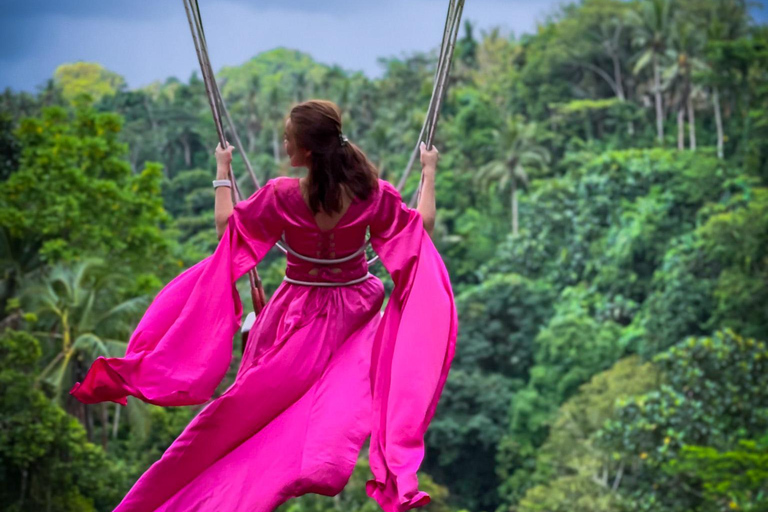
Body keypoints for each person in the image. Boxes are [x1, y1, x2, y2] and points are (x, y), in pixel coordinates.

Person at [70, 99, 458, 512]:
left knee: (256, 405)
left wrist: (222, 171)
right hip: (356, 311)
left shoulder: (282, 196)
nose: (284, 144)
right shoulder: (372, 195)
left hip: (298, 314)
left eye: (289, 139)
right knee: (329, 399)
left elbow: (227, 231)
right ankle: (307, 458)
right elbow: (423, 227)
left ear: (307, 150)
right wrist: (428, 172)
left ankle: (232, 480)